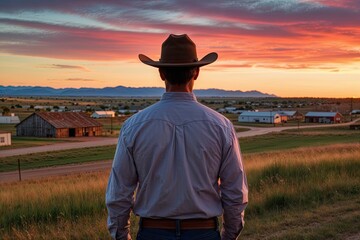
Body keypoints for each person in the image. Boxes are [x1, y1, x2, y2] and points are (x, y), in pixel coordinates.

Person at [106, 34, 248, 240]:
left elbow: (119, 192)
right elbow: (235, 191)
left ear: (161, 73)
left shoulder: (134, 126)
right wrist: (229, 234)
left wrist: (121, 234)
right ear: (197, 72)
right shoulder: (220, 126)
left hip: (152, 232)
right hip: (204, 232)